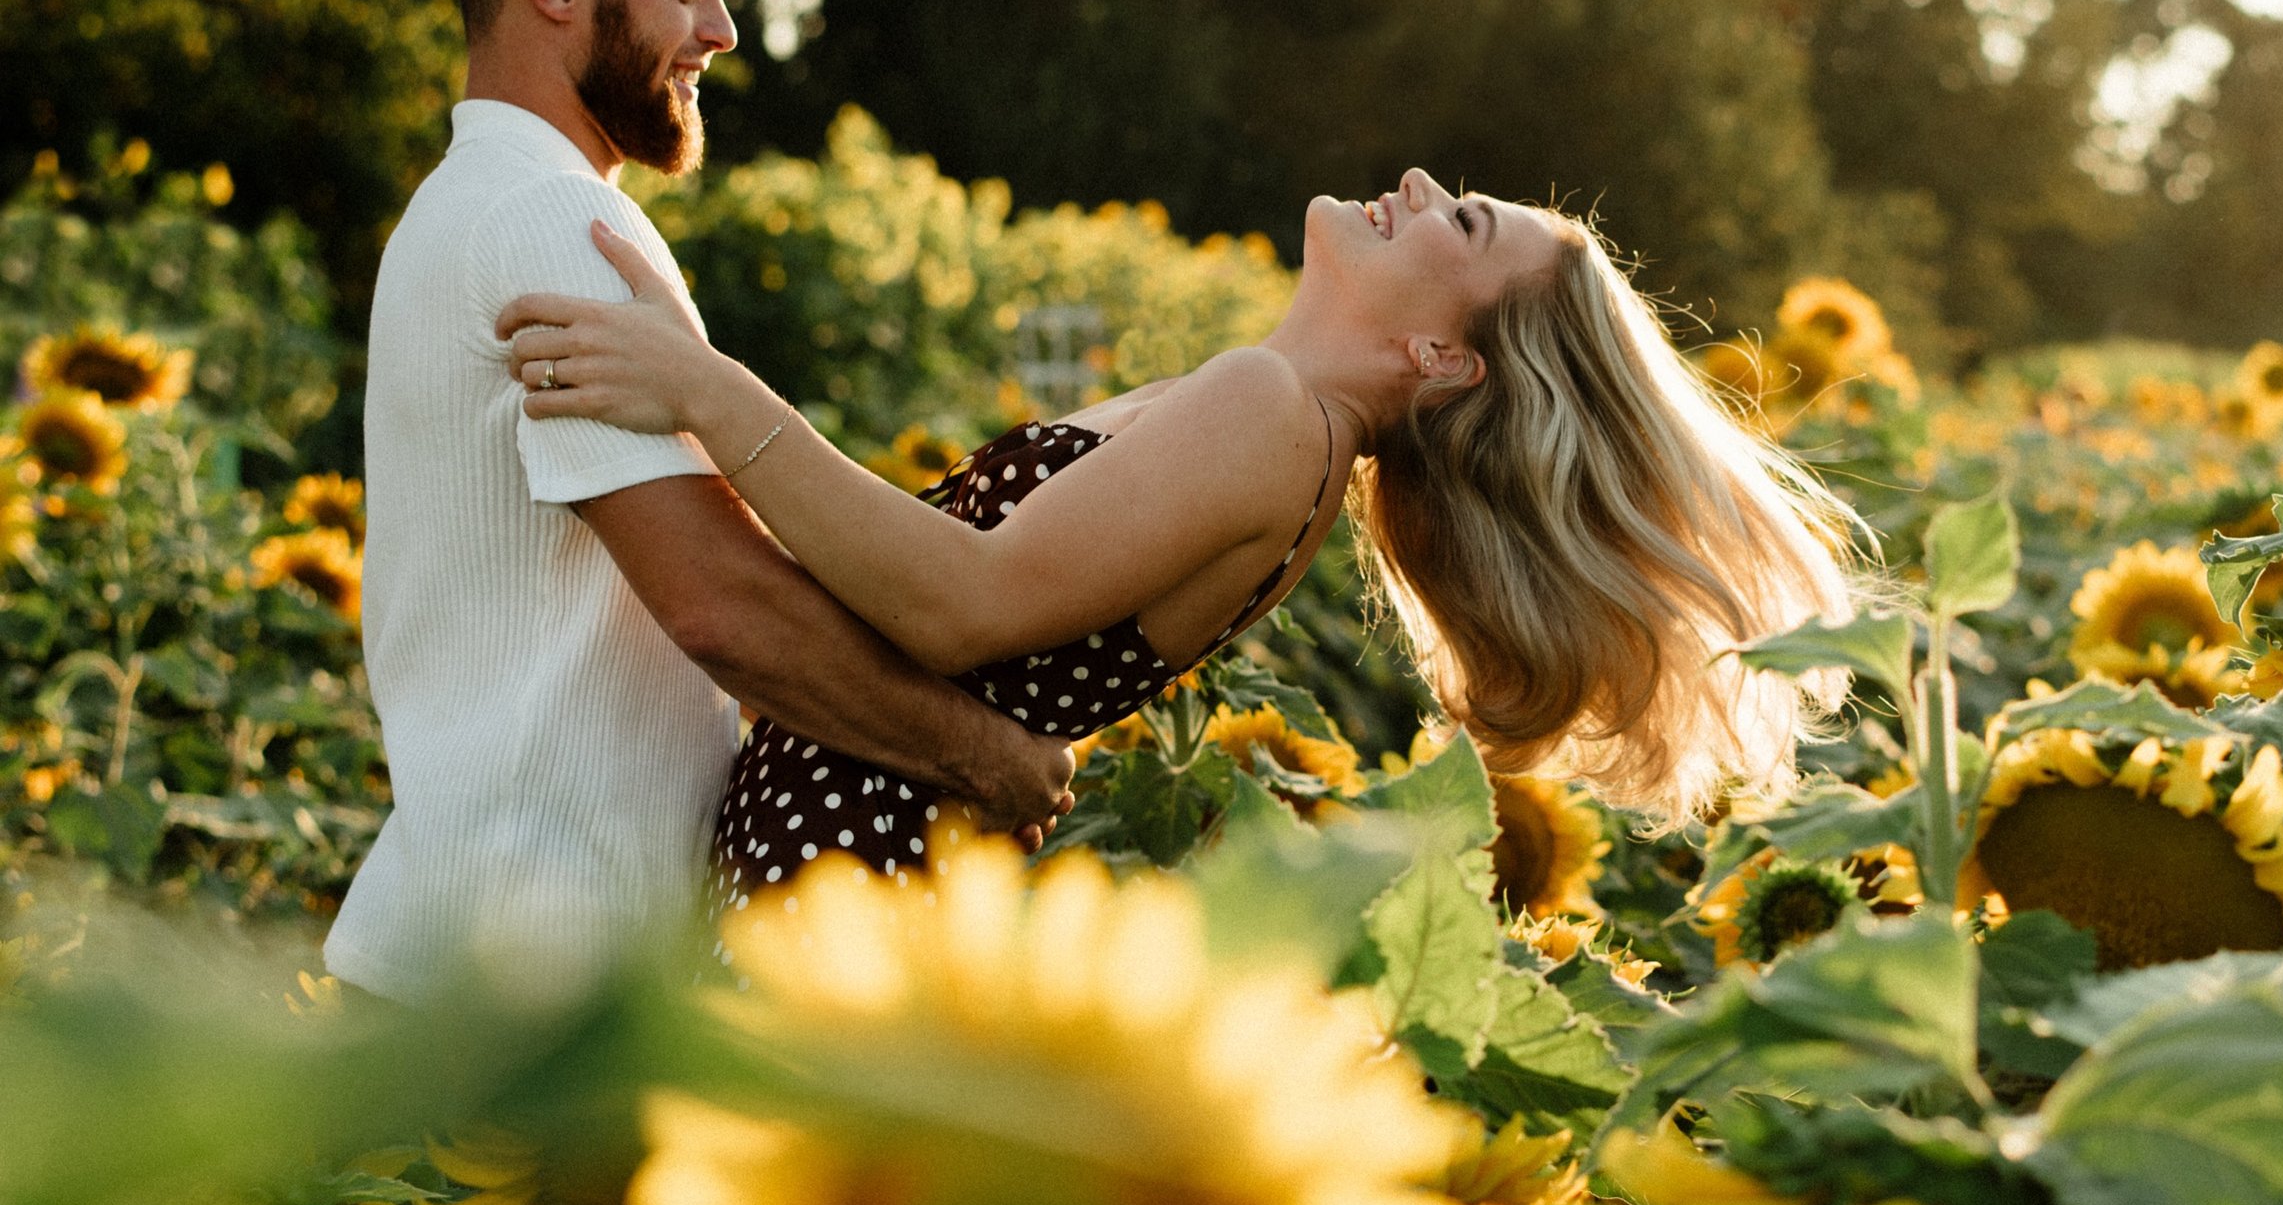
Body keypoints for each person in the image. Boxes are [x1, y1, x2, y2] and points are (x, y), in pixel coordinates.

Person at [497, 170, 1862, 920]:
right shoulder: (1281, 430)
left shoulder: (1273, 414)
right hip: (862, 858)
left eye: (1462, 220)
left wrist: (702, 387)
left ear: (1443, 355)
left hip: (853, 870)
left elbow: (958, 604)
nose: (1418, 181)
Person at [323, 0, 1072, 1007]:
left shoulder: (472, 207)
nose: (721, 30)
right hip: (526, 992)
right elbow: (719, 603)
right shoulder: (546, 220)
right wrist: (980, 754)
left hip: (472, 956)